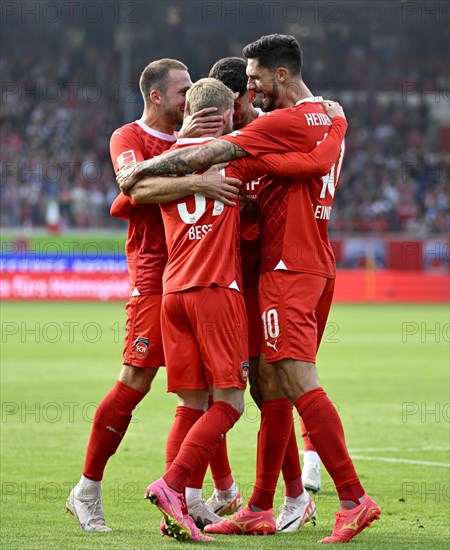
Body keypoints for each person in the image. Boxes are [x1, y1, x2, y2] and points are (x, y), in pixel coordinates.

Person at [118, 34, 381, 544]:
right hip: (285, 268)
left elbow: (221, 154)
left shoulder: (271, 129)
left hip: (285, 267)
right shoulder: (324, 117)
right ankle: (263, 502)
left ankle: (343, 495)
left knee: (281, 380)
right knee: (269, 384)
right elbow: (319, 157)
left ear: (275, 77)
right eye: (248, 86)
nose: (253, 90)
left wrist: (142, 168)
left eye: (256, 79)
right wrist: (325, 134)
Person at [65, 58, 239, 533]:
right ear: (157, 96)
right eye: (183, 91)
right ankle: (87, 489)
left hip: (196, 274)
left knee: (202, 391)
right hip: (153, 273)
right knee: (135, 380)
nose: (191, 97)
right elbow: (132, 191)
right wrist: (197, 181)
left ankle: (193, 496)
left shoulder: (196, 138)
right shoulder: (129, 137)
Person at [208, 56, 322, 526]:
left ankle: (277, 500)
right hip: (238, 287)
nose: (222, 118)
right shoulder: (228, 145)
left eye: (228, 106)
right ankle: (268, 496)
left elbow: (315, 164)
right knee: (247, 391)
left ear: (241, 99)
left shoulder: (270, 132)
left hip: (274, 279)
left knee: (272, 386)